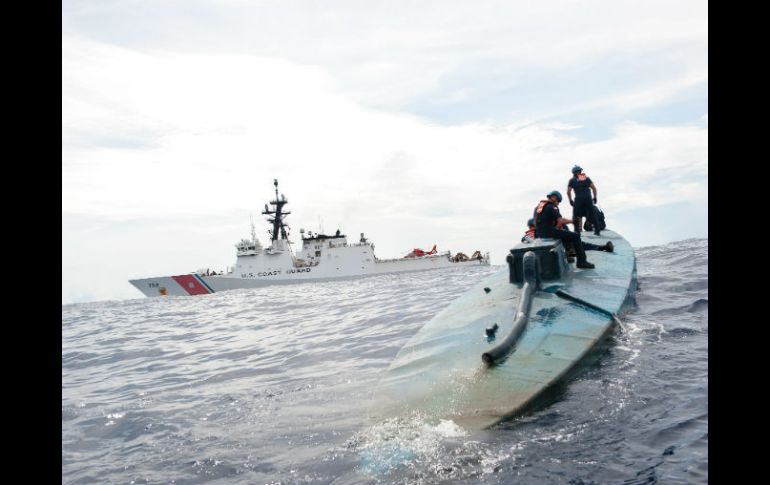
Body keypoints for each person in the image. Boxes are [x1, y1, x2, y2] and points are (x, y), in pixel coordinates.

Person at [534, 190, 595, 269]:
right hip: (549, 232)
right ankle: (582, 262)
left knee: (565, 236)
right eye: (558, 201)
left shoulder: (538, 207)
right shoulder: (552, 206)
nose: (558, 203)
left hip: (540, 234)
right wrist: (572, 221)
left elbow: (536, 222)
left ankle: (567, 257)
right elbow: (561, 220)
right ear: (554, 197)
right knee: (575, 236)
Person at [522, 217, 613, 253]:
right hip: (556, 250)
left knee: (582, 244)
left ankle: (603, 247)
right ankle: (570, 250)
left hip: (564, 244)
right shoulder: (532, 233)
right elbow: (527, 238)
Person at [566, 165, 601, 236]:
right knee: (592, 214)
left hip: (578, 199)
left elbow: (568, 191)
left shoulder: (572, 180)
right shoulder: (585, 178)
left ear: (573, 173)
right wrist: (595, 197)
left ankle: (577, 231)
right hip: (588, 198)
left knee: (576, 215)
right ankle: (597, 230)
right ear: (580, 171)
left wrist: (570, 200)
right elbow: (594, 188)